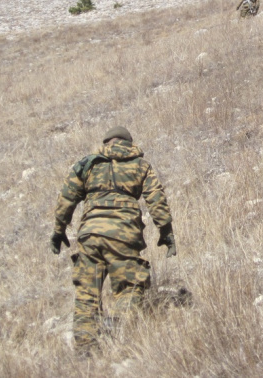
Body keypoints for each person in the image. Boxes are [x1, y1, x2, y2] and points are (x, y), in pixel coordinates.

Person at [50, 126, 176, 354]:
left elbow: (66, 198)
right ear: (129, 143)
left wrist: (59, 230)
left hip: (90, 235)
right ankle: (122, 340)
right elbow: (156, 200)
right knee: (129, 287)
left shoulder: (87, 164)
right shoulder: (140, 165)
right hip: (124, 235)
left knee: (87, 294)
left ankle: (86, 349)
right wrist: (166, 232)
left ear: (107, 142)